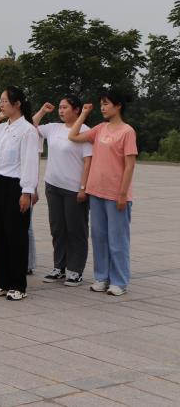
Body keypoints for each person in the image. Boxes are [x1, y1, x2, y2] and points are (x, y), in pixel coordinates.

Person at [69, 88, 137, 296]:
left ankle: (119, 281)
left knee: (117, 241)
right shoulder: (100, 128)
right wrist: (83, 114)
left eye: (106, 104)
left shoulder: (127, 131)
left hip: (116, 195)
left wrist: (122, 194)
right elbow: (73, 136)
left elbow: (129, 165)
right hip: (96, 192)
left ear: (118, 106)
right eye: (101, 104)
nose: (102, 108)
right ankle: (101, 277)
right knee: (99, 238)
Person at [0, 86, 40, 301]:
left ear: (17, 103)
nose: (1, 104)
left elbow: (30, 163)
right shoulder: (1, 128)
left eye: (4, 101)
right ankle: (1, 282)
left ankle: (18, 285)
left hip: (16, 185)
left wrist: (27, 192)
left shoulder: (27, 130)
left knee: (16, 235)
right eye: (0, 100)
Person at [33, 96, 93, 286]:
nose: (61, 110)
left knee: (76, 230)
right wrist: (42, 111)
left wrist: (83, 188)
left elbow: (88, 162)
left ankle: (75, 270)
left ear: (77, 110)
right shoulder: (53, 128)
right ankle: (59, 267)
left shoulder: (85, 131)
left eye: (65, 107)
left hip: (74, 189)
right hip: (53, 186)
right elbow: (29, 127)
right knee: (57, 229)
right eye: (59, 107)